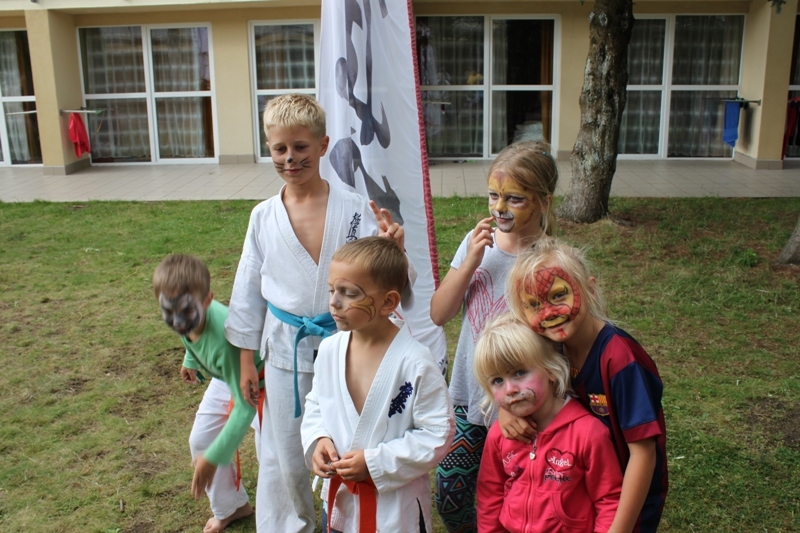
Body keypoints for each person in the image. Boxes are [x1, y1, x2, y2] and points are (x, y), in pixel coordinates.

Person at [224, 94, 406, 533]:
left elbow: (387, 276)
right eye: (279, 148)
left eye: (300, 147)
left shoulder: (355, 207)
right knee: (284, 449)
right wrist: (246, 360)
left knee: (348, 436)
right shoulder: (263, 217)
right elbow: (248, 293)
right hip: (285, 348)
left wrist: (393, 248)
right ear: (269, 149)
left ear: (323, 145)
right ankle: (290, 524)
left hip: (348, 344)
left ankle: (348, 520)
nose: (290, 158)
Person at [430, 140, 558, 532]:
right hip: (469, 398)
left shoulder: (549, 262)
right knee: (450, 496)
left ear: (543, 202)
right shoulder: (477, 245)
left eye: (514, 198)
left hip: (521, 405)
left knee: (516, 501)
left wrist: (509, 405)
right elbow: (439, 313)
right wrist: (470, 261)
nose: (499, 208)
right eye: (492, 195)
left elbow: (552, 345)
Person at [506, 238, 668, 533]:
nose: (548, 313)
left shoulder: (620, 360)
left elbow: (643, 454)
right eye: (534, 305)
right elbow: (506, 373)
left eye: (558, 295)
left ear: (590, 289)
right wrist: (507, 411)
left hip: (626, 507)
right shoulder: (549, 348)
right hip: (581, 495)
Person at [301, 237, 455, 533]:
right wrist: (318, 439)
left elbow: (438, 433)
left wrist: (375, 463)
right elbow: (317, 403)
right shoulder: (330, 350)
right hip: (341, 501)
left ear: (388, 302)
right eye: (332, 290)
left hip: (395, 512)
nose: (334, 302)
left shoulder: (415, 362)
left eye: (349, 293)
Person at [473, 314, 623, 533]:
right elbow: (490, 496)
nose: (510, 389)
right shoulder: (500, 434)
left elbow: (608, 499)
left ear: (551, 370)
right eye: (498, 381)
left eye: (519, 373)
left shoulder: (588, 433)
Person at [152, 254, 262, 533]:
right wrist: (190, 359)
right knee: (202, 440)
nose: (177, 321)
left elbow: (245, 407)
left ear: (208, 300)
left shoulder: (225, 338)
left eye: (185, 311)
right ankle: (232, 507)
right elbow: (188, 336)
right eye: (167, 311)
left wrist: (214, 458)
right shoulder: (185, 316)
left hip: (259, 381)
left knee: (273, 455)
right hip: (227, 376)